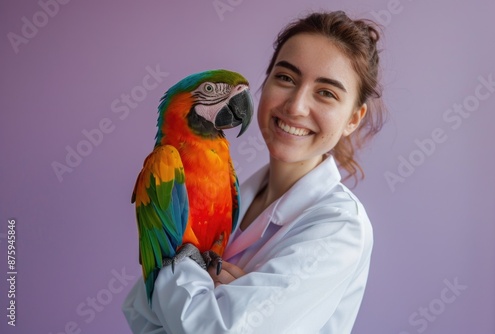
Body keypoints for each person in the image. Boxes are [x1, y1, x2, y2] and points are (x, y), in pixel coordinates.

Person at [123, 10, 386, 333]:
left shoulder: (340, 228)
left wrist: (181, 265)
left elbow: (211, 328)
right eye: (286, 78)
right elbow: (138, 312)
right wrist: (205, 294)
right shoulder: (235, 189)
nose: (295, 106)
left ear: (353, 119)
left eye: (326, 93)